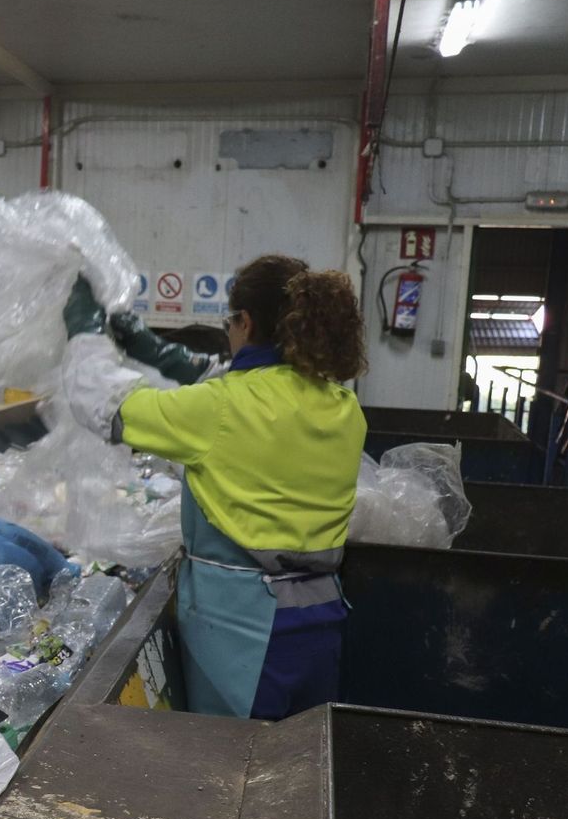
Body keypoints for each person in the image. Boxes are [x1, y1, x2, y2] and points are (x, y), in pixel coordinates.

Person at [62, 255, 369, 720]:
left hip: (243, 634)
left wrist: (84, 329)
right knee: (300, 767)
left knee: (234, 772)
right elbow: (243, 387)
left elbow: (100, 402)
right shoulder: (343, 406)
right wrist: (156, 351)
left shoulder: (221, 410)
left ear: (244, 322)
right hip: (321, 622)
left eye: (229, 323)